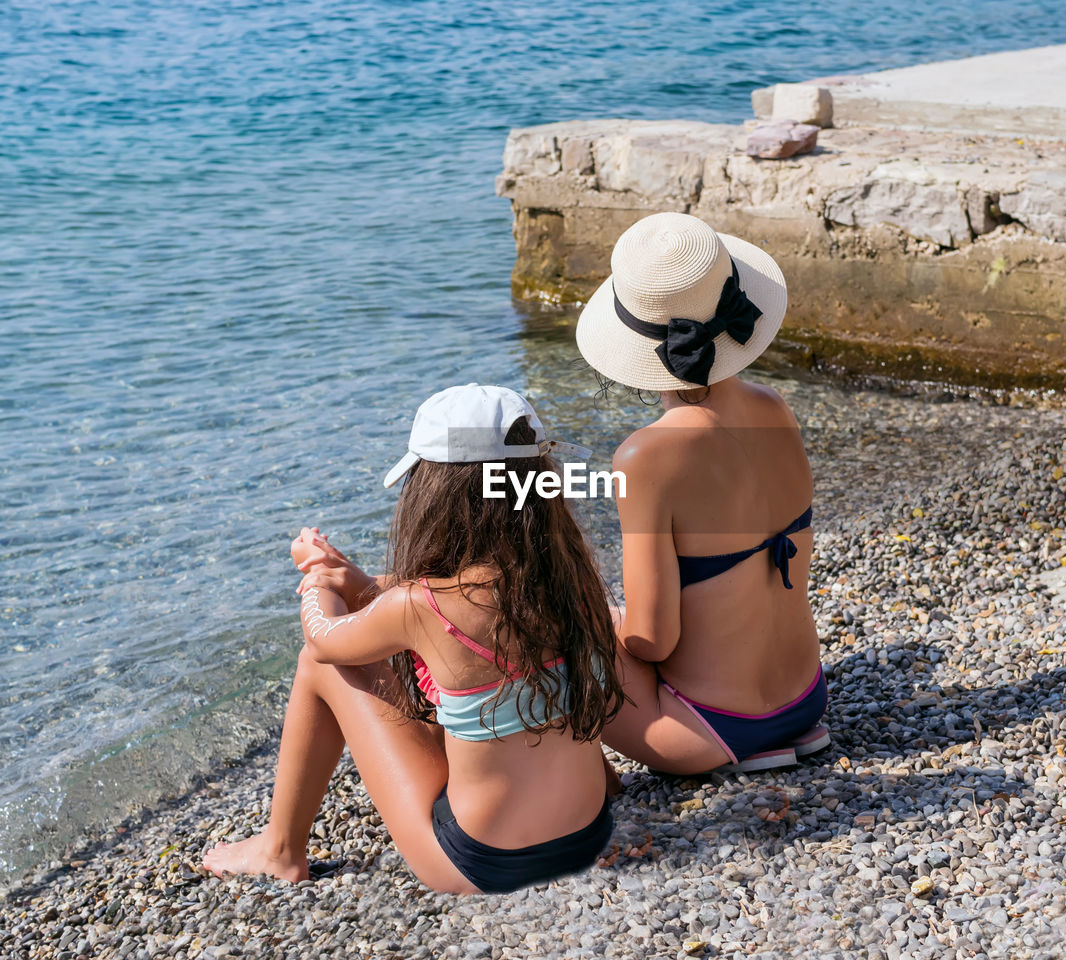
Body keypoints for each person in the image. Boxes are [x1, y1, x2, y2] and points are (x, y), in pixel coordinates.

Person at [202, 384, 623, 894]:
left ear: (435, 494)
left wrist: (316, 579)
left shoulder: (421, 607)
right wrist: (352, 578)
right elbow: (427, 605)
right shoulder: (568, 575)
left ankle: (280, 850)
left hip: (484, 863)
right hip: (588, 832)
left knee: (320, 668)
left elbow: (324, 641)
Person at [576, 212, 828, 775]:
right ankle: (789, 734)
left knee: (557, 643)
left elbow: (653, 641)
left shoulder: (644, 458)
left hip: (710, 726)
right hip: (808, 696)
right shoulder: (774, 410)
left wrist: (609, 623)